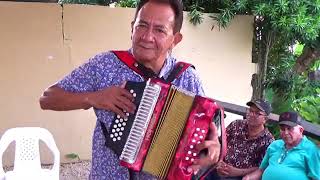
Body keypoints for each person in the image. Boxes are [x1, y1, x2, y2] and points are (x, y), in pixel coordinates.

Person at [39, 0, 220, 179]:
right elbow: (47, 98)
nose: (147, 37)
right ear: (132, 28)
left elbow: (208, 134)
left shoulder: (187, 77)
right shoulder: (106, 64)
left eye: (159, 30)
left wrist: (212, 149)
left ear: (175, 39)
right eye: (142, 26)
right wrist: (94, 98)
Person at [203, 99, 274, 180]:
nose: (251, 114)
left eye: (257, 113)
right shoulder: (236, 125)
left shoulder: (268, 141)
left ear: (265, 119)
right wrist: (219, 162)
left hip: (240, 177)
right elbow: (219, 143)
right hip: (218, 167)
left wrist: (237, 172)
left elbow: (261, 168)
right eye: (250, 110)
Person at [243, 111, 320, 180]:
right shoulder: (275, 145)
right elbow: (261, 170)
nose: (286, 133)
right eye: (282, 129)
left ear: (300, 130)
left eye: (290, 128)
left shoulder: (311, 150)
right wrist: (248, 178)